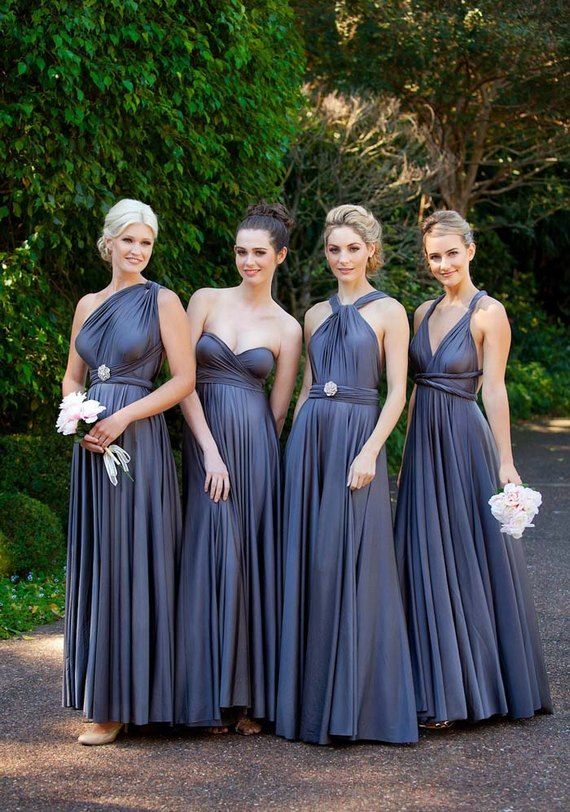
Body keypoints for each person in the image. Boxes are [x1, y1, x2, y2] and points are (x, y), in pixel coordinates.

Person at [394, 209, 552, 728]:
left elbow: (496, 388)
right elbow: (417, 387)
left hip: (464, 438)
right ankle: (432, 682)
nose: (442, 264)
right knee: (423, 553)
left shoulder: (490, 313)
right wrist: (407, 454)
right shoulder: (421, 312)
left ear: (470, 251)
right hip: (425, 442)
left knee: (464, 553)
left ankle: (470, 690)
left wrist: (506, 460)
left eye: (451, 254)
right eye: (434, 256)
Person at [276, 204, 418, 745]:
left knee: (355, 560)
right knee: (313, 562)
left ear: (371, 252)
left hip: (361, 436)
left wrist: (368, 452)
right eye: (333, 249)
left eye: (352, 249)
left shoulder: (390, 312)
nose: (342, 258)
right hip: (311, 438)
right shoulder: (313, 314)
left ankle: (357, 708)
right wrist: (293, 449)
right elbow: (310, 383)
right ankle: (308, 706)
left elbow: (398, 391)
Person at [62, 199, 193, 745]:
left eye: (146, 243)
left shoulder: (163, 300)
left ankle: (138, 698)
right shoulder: (87, 304)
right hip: (93, 448)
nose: (138, 251)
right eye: (129, 241)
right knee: (100, 561)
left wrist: (121, 416)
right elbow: (73, 376)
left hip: (138, 440)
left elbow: (183, 380)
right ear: (109, 243)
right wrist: (78, 414)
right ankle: (104, 698)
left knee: (134, 559)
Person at [175, 202, 301, 735]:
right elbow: (181, 381)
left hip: (255, 451)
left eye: (258, 253)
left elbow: (278, 408)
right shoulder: (203, 300)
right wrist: (209, 450)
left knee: (249, 563)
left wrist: (256, 463)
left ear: (280, 256)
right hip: (206, 442)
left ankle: (247, 701)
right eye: (240, 251)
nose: (248, 261)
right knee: (207, 556)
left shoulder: (289, 327)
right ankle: (202, 697)